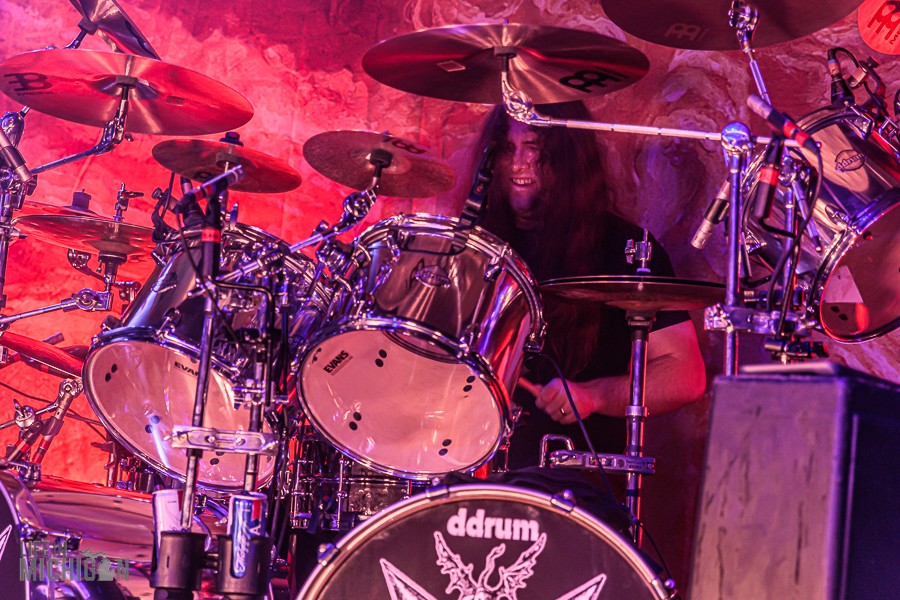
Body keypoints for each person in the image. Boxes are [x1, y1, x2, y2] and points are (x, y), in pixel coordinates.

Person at [467, 101, 707, 471]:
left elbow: (685, 375)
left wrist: (594, 395)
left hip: (572, 478)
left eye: (534, 148)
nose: (517, 164)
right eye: (506, 149)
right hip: (469, 465)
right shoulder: (471, 245)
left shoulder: (626, 248)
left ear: (569, 158)